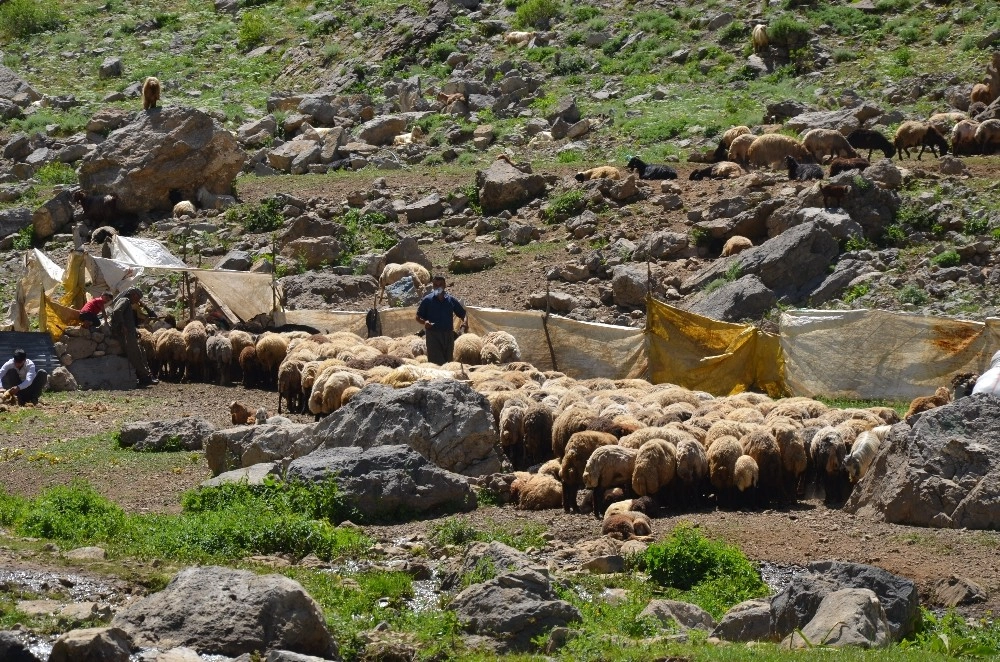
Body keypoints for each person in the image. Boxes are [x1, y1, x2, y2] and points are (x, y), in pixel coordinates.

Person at [109, 287, 158, 387]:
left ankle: (147, 375)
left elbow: (127, 319)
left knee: (141, 352)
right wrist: (122, 326)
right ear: (133, 295)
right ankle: (145, 377)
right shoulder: (125, 300)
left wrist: (134, 330)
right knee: (135, 355)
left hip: (130, 334)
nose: (138, 300)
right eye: (138, 297)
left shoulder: (128, 303)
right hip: (125, 335)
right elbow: (117, 312)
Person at [415, 276, 468, 365]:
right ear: (433, 286)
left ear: (445, 285)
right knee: (436, 363)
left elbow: (463, 314)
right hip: (433, 336)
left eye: (441, 285)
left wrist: (465, 323)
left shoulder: (450, 300)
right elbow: (418, 317)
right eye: (436, 285)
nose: (438, 287)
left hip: (448, 336)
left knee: (448, 362)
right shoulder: (427, 300)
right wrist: (425, 322)